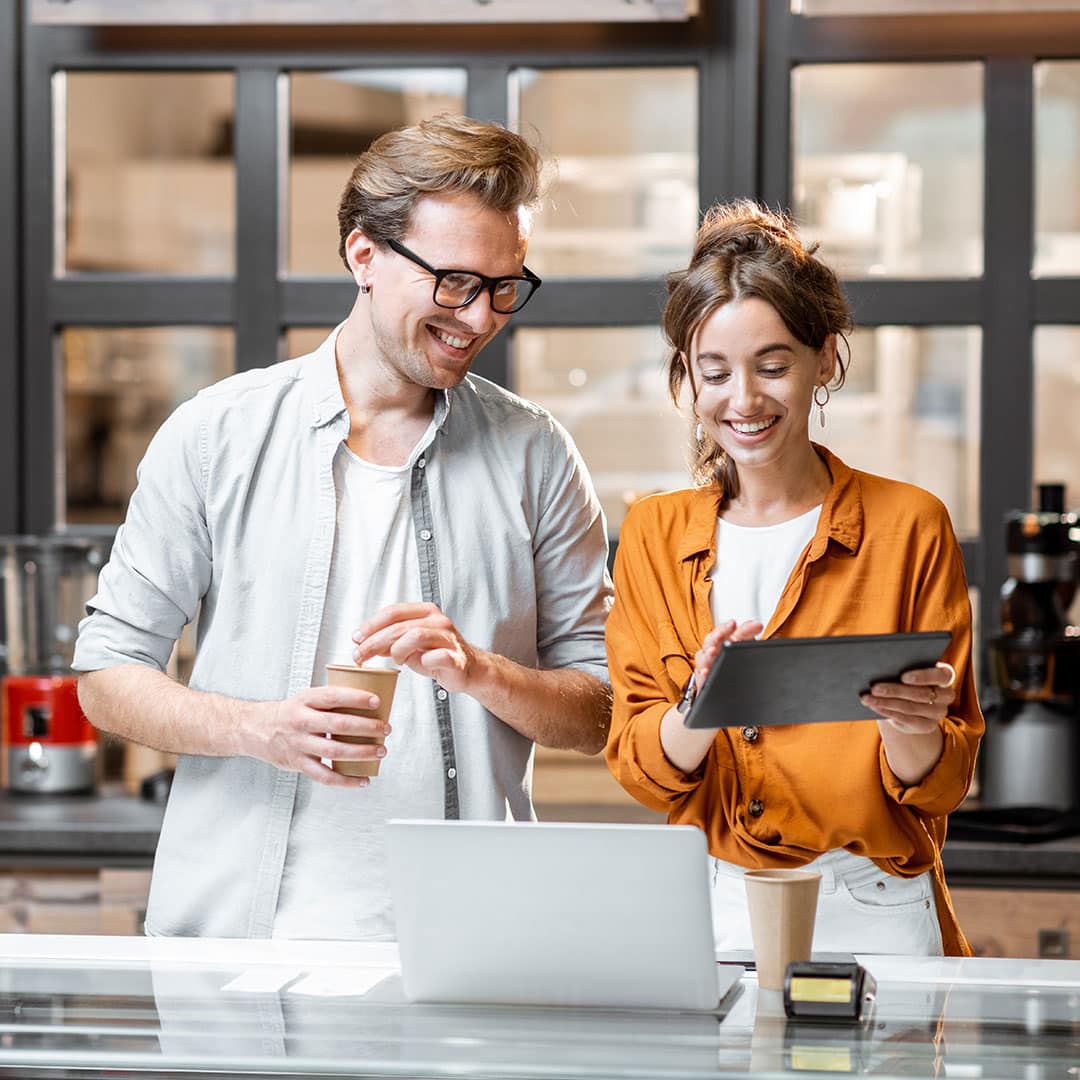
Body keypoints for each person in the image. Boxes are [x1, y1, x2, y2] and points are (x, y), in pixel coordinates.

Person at [73, 115, 613, 940]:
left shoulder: (535, 454)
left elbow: (604, 707)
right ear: (364, 256)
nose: (481, 318)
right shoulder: (218, 433)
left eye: (506, 286)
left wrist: (483, 673)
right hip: (238, 948)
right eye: (455, 282)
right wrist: (259, 728)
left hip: (470, 946)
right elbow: (107, 675)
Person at [604, 200, 983, 957]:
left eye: (773, 366)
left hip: (872, 903)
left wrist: (908, 726)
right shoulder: (653, 532)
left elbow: (941, 785)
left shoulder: (910, 524)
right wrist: (700, 705)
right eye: (714, 373)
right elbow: (645, 772)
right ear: (687, 377)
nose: (743, 400)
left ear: (826, 361)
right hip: (711, 907)